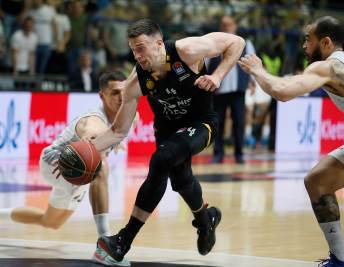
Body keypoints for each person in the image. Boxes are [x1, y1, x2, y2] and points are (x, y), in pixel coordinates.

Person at [238, 16, 344, 267]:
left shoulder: (327, 67)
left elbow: (282, 92)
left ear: (325, 42)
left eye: (307, 40)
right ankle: (342, 260)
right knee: (318, 182)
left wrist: (257, 69)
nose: (303, 46)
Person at [86, 18, 245, 266]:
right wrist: (82, 149)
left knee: (161, 159)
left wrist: (217, 75)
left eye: (141, 47)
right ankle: (206, 221)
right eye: (132, 49)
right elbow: (117, 131)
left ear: (159, 44)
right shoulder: (136, 82)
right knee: (181, 180)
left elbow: (237, 41)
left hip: (201, 124)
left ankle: (123, 241)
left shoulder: (187, 50)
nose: (136, 55)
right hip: (168, 131)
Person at [0, 71, 131, 266]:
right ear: (102, 95)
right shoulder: (94, 120)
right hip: (54, 162)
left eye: (123, 91)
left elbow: (115, 134)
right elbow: (91, 130)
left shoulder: (130, 115)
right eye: (114, 93)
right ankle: (106, 243)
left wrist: (116, 143)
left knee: (51, 222)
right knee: (101, 167)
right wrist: (92, 140)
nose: (120, 97)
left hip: (77, 170)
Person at [208, 15, 256, 163]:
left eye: (229, 25)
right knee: (218, 123)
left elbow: (252, 61)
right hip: (218, 89)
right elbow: (206, 62)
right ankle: (218, 153)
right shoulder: (213, 42)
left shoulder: (246, 43)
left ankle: (239, 153)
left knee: (239, 122)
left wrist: (253, 81)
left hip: (237, 89)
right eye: (223, 25)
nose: (226, 27)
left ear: (235, 26)